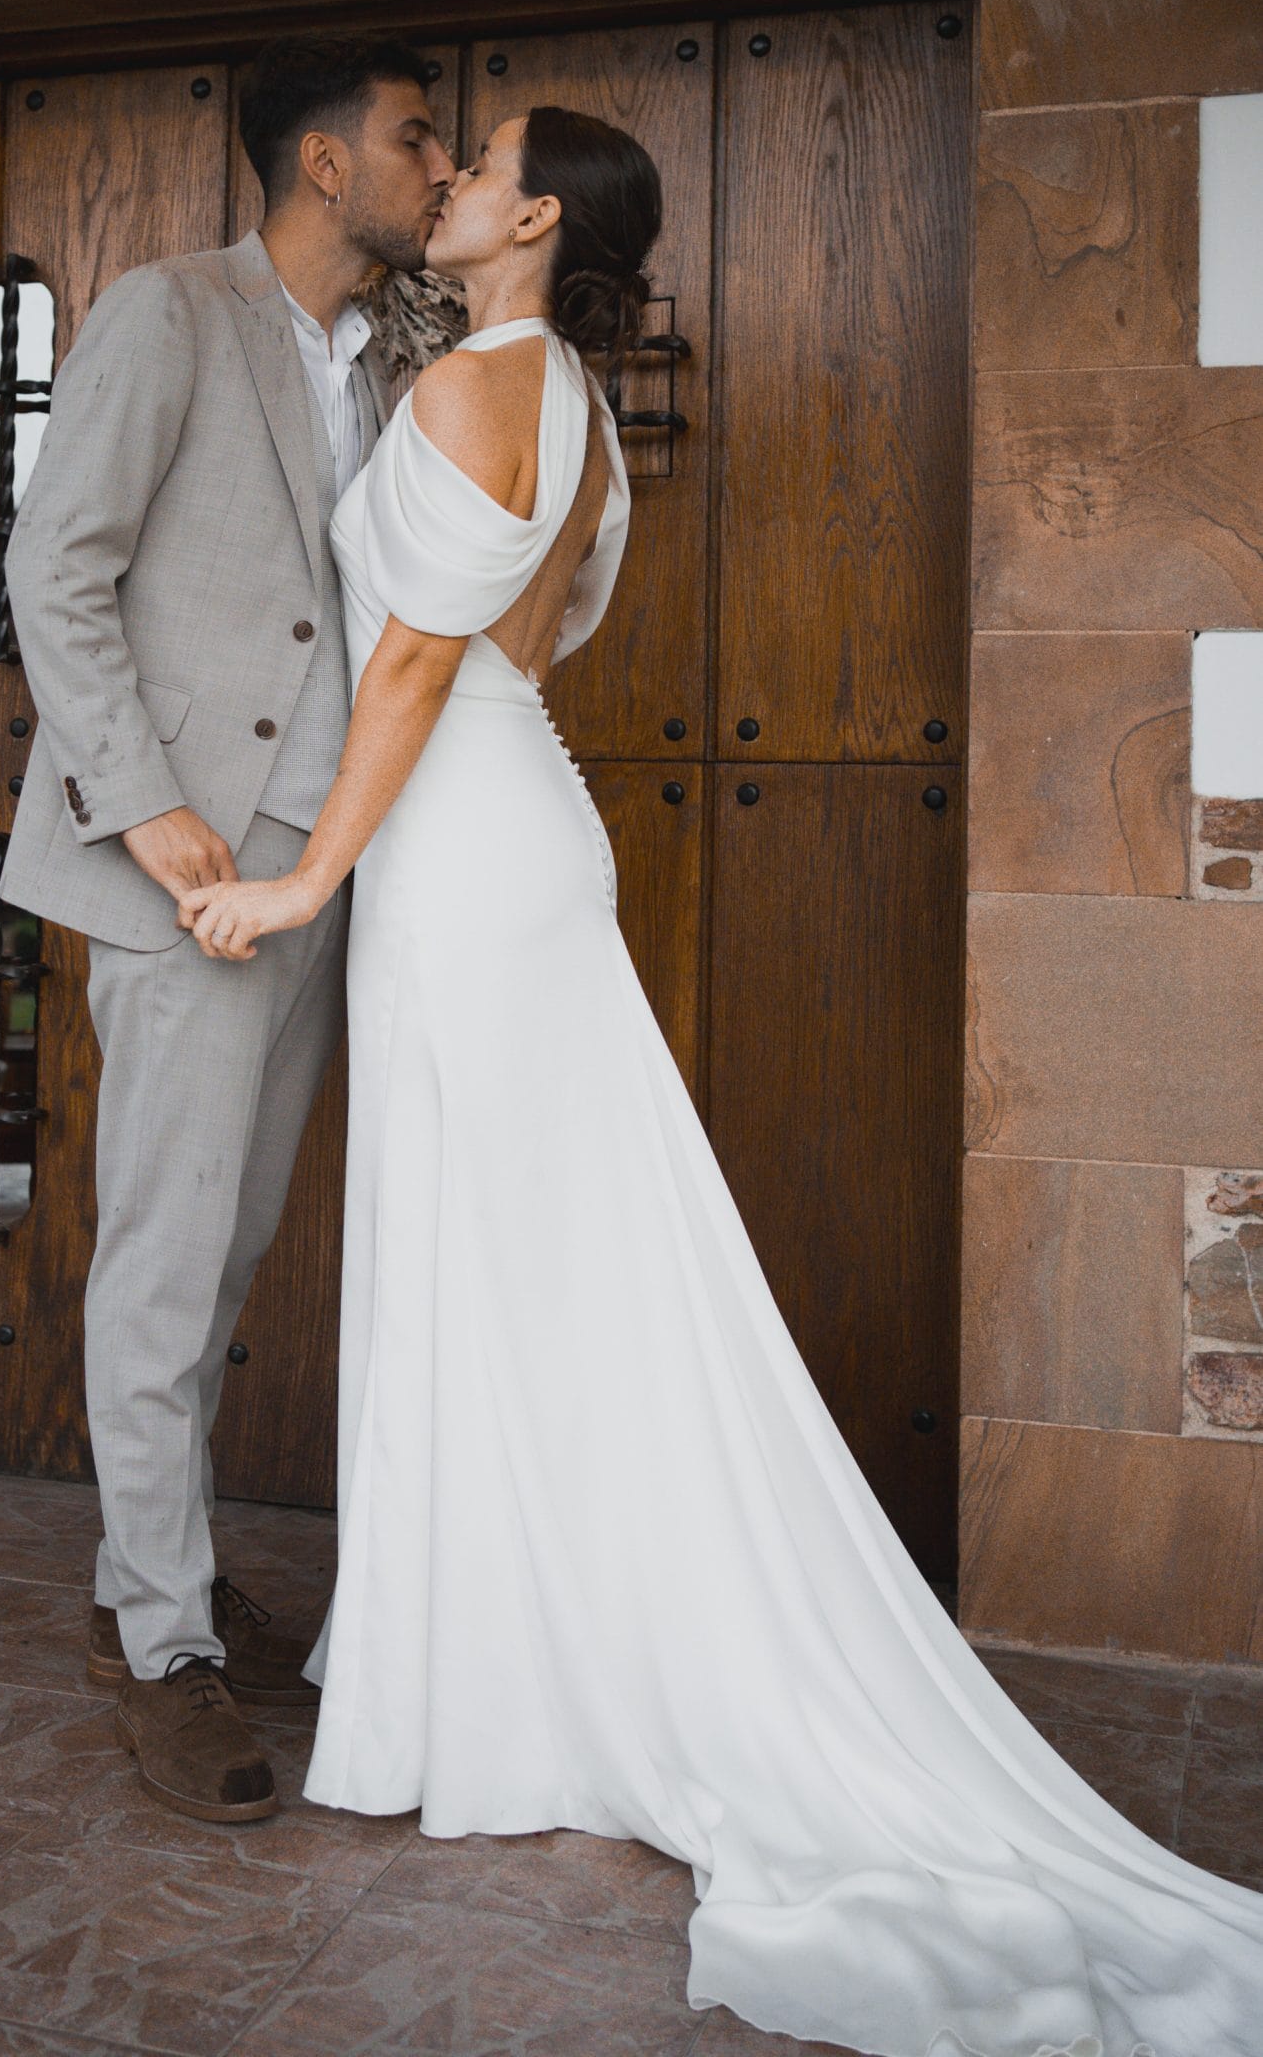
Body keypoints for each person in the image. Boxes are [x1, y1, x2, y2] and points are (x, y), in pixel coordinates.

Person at [179, 104, 1263, 2056]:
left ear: (530, 214)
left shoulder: (466, 395)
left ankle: (491, 1687)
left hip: (448, 842)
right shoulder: (569, 396)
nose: (445, 173)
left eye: (478, 154)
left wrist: (304, 873)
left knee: (495, 1260)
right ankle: (483, 1663)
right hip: (517, 831)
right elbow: (518, 645)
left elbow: (415, 671)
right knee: (542, 1267)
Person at [1, 32, 455, 1826]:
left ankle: (153, 1580)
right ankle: (164, 1644)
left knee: (235, 1246)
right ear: (326, 164)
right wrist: (141, 802)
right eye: (417, 136)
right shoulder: (168, 311)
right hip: (188, 875)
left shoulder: (399, 348)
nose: (438, 164)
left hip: (322, 870)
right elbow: (59, 565)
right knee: (167, 1258)